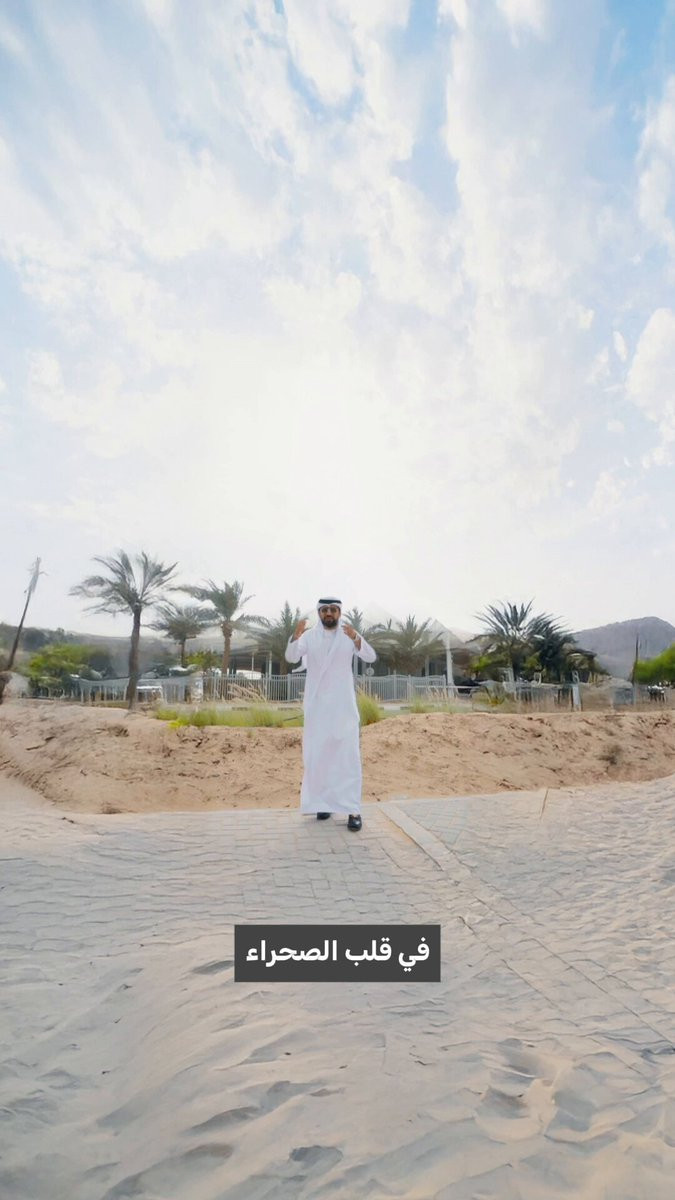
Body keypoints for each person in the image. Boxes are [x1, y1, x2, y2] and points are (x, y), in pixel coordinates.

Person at [285, 598, 376, 831]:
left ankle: (353, 810)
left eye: (333, 610)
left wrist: (356, 639)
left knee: (348, 758)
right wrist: (295, 636)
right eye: (324, 610)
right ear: (319, 613)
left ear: (339, 612)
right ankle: (322, 803)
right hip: (317, 708)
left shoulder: (348, 635)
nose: (328, 613)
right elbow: (291, 657)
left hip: (343, 707)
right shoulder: (309, 637)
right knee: (318, 757)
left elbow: (370, 657)